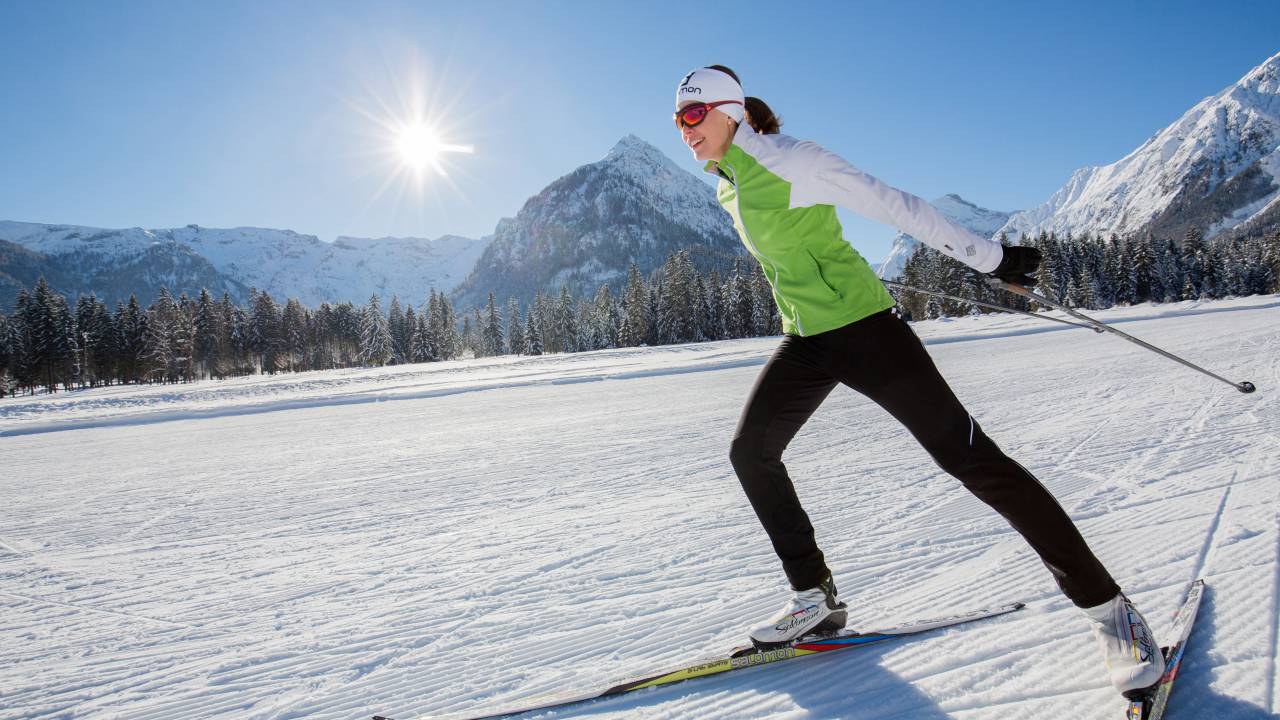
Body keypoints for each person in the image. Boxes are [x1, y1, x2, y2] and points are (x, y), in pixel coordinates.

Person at [674, 65, 1164, 698]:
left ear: (730, 112)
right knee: (750, 452)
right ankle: (814, 597)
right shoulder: (729, 182)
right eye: (677, 121)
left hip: (867, 335)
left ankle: (1112, 612)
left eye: (692, 115)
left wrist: (993, 260)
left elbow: (895, 205)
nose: (684, 131)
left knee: (976, 463)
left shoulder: (792, 161)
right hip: (806, 340)